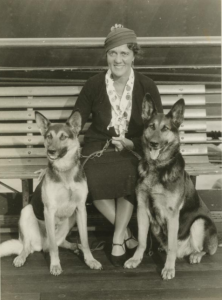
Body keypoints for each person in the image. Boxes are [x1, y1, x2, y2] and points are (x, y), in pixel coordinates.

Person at [74, 24, 163, 266]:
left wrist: (132, 142)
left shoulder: (147, 85)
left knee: (133, 173)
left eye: (124, 53)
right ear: (106, 55)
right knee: (89, 175)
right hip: (99, 146)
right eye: (113, 53)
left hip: (134, 147)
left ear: (134, 55)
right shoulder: (93, 84)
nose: (118, 59)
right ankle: (124, 233)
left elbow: (158, 126)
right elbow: (77, 118)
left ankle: (116, 239)